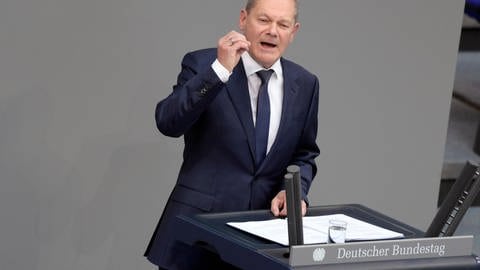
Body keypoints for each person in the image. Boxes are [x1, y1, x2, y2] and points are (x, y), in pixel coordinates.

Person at [145, 0, 320, 269]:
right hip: (196, 239)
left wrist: (295, 191)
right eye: (264, 20)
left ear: (293, 31)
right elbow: (168, 122)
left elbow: (304, 154)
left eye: (282, 24)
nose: (272, 31)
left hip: (263, 243)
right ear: (243, 19)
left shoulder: (305, 83)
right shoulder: (204, 63)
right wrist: (219, 71)